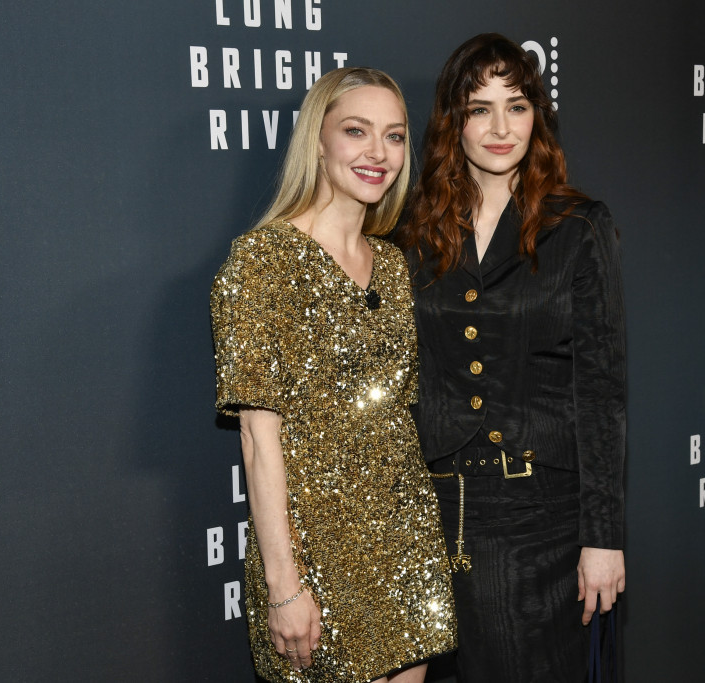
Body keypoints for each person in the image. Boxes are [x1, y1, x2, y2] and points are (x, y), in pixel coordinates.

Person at [211, 67, 456, 683]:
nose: (379, 153)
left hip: (405, 538)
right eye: (356, 131)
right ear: (317, 141)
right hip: (315, 549)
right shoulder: (261, 262)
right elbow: (257, 438)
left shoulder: (394, 265)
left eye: (394, 136)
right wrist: (283, 584)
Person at [395, 34, 626, 682]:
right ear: (454, 122)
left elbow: (601, 389)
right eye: (480, 109)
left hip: (541, 513)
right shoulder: (412, 229)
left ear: (537, 117)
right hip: (432, 509)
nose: (501, 128)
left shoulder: (577, 227)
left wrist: (603, 537)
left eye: (516, 106)